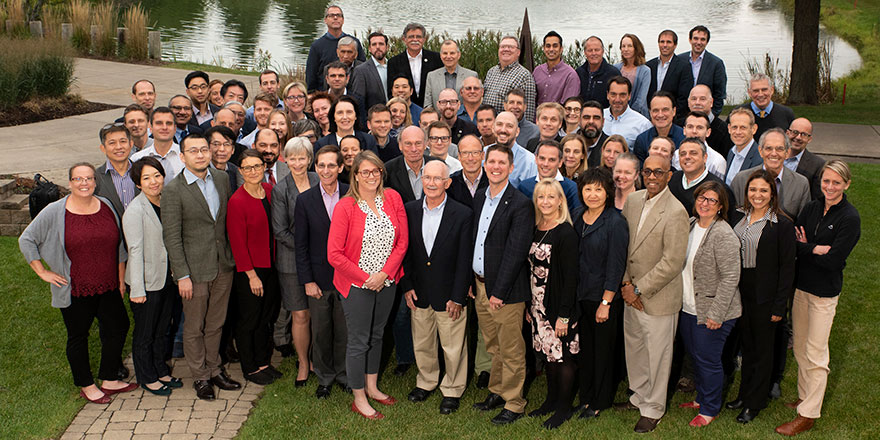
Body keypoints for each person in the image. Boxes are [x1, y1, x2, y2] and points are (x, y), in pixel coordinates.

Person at [19, 163, 135, 404]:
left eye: (89, 178)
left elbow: (119, 246)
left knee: (119, 326)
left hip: (108, 285)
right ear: (70, 182)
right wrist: (42, 272)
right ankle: (86, 384)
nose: (84, 183)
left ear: (95, 181)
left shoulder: (106, 205)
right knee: (78, 336)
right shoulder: (55, 211)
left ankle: (109, 378)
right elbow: (27, 239)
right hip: (75, 288)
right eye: (78, 179)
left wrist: (121, 279)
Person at [776, 161, 861, 436]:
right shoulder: (812, 208)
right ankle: (805, 396)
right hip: (802, 288)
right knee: (800, 347)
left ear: (847, 184)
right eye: (826, 181)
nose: (830, 187)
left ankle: (808, 414)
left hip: (824, 294)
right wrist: (815, 249)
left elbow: (835, 260)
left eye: (837, 182)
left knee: (816, 352)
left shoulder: (850, 217)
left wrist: (808, 248)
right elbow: (795, 245)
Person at [327, 151, 409, 420]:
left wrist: (385, 274)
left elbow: (402, 243)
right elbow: (334, 254)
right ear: (355, 175)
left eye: (376, 171)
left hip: (387, 281)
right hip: (356, 285)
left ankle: (372, 387)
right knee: (359, 340)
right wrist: (367, 278)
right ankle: (358, 397)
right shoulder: (346, 206)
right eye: (366, 172)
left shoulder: (393, 198)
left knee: (377, 335)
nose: (372, 176)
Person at [162, 133, 241, 400]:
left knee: (216, 323)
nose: (200, 154)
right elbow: (172, 236)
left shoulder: (221, 179)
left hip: (222, 265)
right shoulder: (173, 190)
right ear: (182, 157)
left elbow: (224, 222)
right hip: (193, 271)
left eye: (204, 149)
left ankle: (215, 368)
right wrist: (181, 274)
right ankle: (201, 376)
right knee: (194, 326)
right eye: (193, 150)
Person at [618, 154, 689, 433]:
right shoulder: (633, 201)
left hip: (657, 297)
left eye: (658, 172)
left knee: (658, 355)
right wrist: (625, 285)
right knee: (635, 349)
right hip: (629, 293)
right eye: (647, 171)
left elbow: (672, 262)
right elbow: (624, 247)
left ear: (669, 175)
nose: (652, 177)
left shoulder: (676, 211)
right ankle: (639, 395)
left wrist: (638, 289)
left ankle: (654, 408)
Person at [401, 160, 473, 414]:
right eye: (427, 178)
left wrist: (458, 295)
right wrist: (407, 285)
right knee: (422, 342)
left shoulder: (463, 214)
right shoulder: (409, 210)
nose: (431, 183)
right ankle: (426, 381)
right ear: (422, 179)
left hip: (449, 293)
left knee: (452, 345)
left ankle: (453, 388)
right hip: (419, 290)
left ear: (447, 183)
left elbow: (465, 259)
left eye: (437, 179)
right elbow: (404, 251)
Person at [471, 145, 535, 425]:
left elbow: (516, 252)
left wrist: (499, 291)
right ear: (485, 165)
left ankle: (514, 402)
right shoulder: (479, 199)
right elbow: (473, 242)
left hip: (504, 291)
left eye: (502, 163)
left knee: (510, 348)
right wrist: (471, 281)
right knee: (492, 344)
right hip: (480, 285)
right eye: (491, 161)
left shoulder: (520, 203)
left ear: (511, 168)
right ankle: (496, 391)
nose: (495, 167)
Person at [725, 169, 796, 424]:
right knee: (747, 346)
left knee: (763, 351)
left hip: (765, 294)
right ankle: (744, 394)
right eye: (753, 190)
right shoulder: (738, 217)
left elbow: (788, 268)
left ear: (772, 193)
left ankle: (755, 402)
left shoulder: (782, 224)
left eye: (763, 190)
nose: (757, 195)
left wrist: (780, 305)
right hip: (740, 289)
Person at [677, 180, 741, 427]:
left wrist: (716, 314)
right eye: (701, 198)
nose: (704, 203)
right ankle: (702, 398)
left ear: (721, 206)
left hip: (714, 311)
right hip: (688, 307)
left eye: (711, 200)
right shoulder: (691, 225)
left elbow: (731, 277)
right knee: (696, 355)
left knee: (708, 359)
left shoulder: (723, 234)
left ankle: (710, 408)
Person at [523, 178, 580, 429]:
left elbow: (571, 277)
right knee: (548, 355)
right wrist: (530, 306)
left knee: (564, 357)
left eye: (550, 197)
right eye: (540, 197)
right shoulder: (536, 227)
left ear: (560, 201)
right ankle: (551, 400)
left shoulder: (565, 232)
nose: (545, 201)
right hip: (538, 303)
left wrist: (564, 315)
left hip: (558, 305)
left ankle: (564, 408)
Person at [123, 157, 183, 396]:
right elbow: (134, 251)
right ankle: (147, 376)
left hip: (167, 277)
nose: (153, 181)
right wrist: (137, 290)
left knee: (162, 330)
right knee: (145, 333)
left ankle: (161, 370)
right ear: (138, 184)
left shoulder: (166, 201)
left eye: (157, 175)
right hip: (145, 282)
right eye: (146, 178)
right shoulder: (135, 211)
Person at [294, 145, 350, 399]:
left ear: (340, 167)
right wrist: (307, 280)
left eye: (331, 165)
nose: (326, 170)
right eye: (321, 165)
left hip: (347, 278)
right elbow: (301, 245)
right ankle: (324, 378)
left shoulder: (352, 195)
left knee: (345, 330)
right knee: (321, 330)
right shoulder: (305, 200)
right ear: (315, 167)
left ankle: (344, 375)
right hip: (318, 279)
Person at [574, 167, 629, 420]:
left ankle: (600, 401)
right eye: (588, 188)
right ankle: (585, 397)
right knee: (585, 351)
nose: (593, 194)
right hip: (580, 296)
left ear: (608, 191)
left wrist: (606, 301)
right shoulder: (576, 217)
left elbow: (616, 266)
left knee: (603, 352)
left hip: (603, 299)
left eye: (598, 189)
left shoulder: (616, 222)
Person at [228, 148, 282, 386]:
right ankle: (250, 367)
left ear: (264, 167)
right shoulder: (237, 201)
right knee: (250, 319)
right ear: (241, 171)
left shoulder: (269, 191)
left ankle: (263, 362)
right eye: (247, 167)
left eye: (257, 166)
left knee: (266, 317)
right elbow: (237, 243)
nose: (253, 171)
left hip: (272, 266)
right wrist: (251, 276)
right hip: (251, 271)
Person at [271, 137, 320, 386]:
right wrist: (307, 249)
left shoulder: (319, 181)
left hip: (320, 261)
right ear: (285, 159)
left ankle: (318, 358)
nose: (298, 163)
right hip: (291, 262)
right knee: (300, 314)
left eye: (303, 157)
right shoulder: (281, 189)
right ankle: (303, 362)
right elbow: (280, 231)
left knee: (318, 313)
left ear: (310, 159)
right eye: (293, 158)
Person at [730, 128, 811, 221]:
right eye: (769, 148)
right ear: (760, 151)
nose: (774, 153)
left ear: (787, 153)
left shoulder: (800, 184)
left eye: (779, 149)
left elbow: (803, 222)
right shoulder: (741, 180)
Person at [669, 137, 736, 219]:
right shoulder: (673, 179)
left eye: (693, 153)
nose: (687, 157)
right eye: (683, 154)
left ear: (705, 157)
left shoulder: (719, 188)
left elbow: (728, 219)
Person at [306, 5, 365, 92]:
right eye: (331, 15)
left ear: (343, 20)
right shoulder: (317, 45)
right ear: (325, 20)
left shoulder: (353, 42)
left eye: (338, 15)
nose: (335, 18)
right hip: (326, 94)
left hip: (353, 92)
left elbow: (362, 67)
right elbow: (311, 75)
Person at [518, 140, 582, 216]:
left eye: (551, 160)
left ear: (560, 162)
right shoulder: (524, 187)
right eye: (542, 158)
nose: (545, 164)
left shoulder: (572, 189)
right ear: (536, 159)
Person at [387, 23, 443, 107]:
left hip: (431, 108)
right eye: (411, 37)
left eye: (418, 37)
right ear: (404, 39)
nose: (415, 40)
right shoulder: (394, 62)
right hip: (405, 108)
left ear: (424, 39)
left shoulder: (436, 59)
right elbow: (391, 91)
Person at [483, 35, 537, 122]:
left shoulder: (525, 76)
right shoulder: (491, 72)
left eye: (511, 47)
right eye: (503, 47)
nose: (506, 49)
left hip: (508, 127)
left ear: (518, 52)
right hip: (487, 125)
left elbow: (528, 111)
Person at [679, 25, 726, 116]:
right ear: (690, 40)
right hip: (682, 115)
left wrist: (711, 116)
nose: (699, 42)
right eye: (695, 38)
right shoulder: (680, 60)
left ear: (707, 42)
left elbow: (719, 95)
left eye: (703, 39)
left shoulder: (716, 63)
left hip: (705, 115)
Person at [95, 123, 138, 219]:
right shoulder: (95, 178)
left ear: (131, 144)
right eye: (112, 143)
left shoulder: (143, 172)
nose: (118, 147)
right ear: (103, 148)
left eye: (123, 141)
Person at [646, 30, 692, 117]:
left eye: (669, 42)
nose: (665, 45)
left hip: (672, 117)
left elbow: (683, 97)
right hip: (650, 115)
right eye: (662, 42)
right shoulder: (649, 66)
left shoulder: (684, 67)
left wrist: (672, 115)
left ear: (675, 45)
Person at [487, 111, 538, 188]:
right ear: (493, 128)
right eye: (499, 124)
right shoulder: (482, 154)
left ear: (517, 132)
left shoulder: (530, 161)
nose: (503, 130)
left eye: (509, 126)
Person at [424, 39, 478, 111]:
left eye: (452, 53)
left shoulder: (471, 75)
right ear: (440, 56)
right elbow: (428, 104)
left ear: (458, 55)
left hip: (464, 121)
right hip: (438, 120)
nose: (448, 56)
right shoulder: (431, 76)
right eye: (445, 53)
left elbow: (474, 103)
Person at [132, 107, 184, 182]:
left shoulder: (187, 157)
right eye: (159, 123)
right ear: (150, 127)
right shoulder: (137, 158)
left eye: (168, 123)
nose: (164, 127)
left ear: (175, 128)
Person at [737, 73, 795, 141]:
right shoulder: (738, 113)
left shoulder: (786, 114)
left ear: (772, 90)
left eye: (764, 90)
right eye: (756, 91)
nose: (760, 94)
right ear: (749, 93)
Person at [671, 111, 728, 180]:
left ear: (708, 132)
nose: (694, 131)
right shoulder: (676, 155)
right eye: (690, 127)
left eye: (699, 128)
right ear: (684, 130)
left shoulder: (717, 161)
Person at [680, 84, 732, 158]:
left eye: (702, 99)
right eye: (694, 99)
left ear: (711, 102)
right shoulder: (680, 125)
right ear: (688, 102)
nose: (697, 102)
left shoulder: (724, 130)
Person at [633, 91, 685, 162]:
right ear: (650, 113)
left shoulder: (684, 137)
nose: (660, 115)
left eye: (665, 110)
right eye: (655, 110)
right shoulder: (642, 140)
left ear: (674, 111)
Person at [314, 96, 378, 154]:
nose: (345, 117)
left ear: (355, 116)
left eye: (349, 112)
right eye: (340, 113)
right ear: (334, 117)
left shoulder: (369, 140)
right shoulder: (321, 144)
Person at [533, 31, 581, 105]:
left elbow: (569, 105)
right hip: (537, 116)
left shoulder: (570, 75)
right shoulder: (537, 71)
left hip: (558, 116)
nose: (551, 49)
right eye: (548, 46)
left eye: (555, 46)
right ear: (544, 48)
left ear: (561, 49)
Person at [603, 76, 652, 148]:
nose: (617, 99)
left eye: (622, 95)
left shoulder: (643, 124)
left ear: (629, 96)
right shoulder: (598, 116)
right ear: (608, 95)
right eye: (613, 94)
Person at [786, 118, 826, 200]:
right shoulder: (773, 157)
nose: (798, 137)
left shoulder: (817, 165)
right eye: (795, 132)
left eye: (803, 134)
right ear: (787, 133)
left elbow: (817, 200)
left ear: (809, 139)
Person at [576, 36, 621, 109]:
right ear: (585, 53)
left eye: (597, 50)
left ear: (603, 51)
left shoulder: (613, 73)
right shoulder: (579, 72)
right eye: (590, 50)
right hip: (583, 116)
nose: (593, 53)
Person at [350, 32, 390, 111]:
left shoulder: (393, 66)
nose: (378, 47)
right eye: (374, 44)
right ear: (369, 48)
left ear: (387, 47)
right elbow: (359, 101)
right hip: (373, 118)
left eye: (381, 44)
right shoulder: (361, 70)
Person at [613, 33, 651, 117]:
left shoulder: (645, 71)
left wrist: (627, 115)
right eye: (623, 46)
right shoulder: (616, 68)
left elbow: (641, 100)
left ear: (636, 48)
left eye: (629, 46)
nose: (626, 49)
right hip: (617, 113)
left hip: (637, 115)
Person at [725, 107, 762, 186]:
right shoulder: (731, 152)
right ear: (729, 128)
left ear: (754, 129)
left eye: (743, 127)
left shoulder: (760, 159)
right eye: (734, 127)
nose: (738, 132)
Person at [206, 125, 241, 193]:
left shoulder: (236, 172)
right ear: (208, 147)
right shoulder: (201, 171)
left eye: (226, 144)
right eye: (216, 144)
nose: (221, 149)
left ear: (233, 149)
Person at [580, 101, 608, 167]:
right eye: (586, 117)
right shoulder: (569, 143)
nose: (591, 121)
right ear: (579, 120)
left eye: (596, 118)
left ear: (603, 122)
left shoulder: (610, 146)